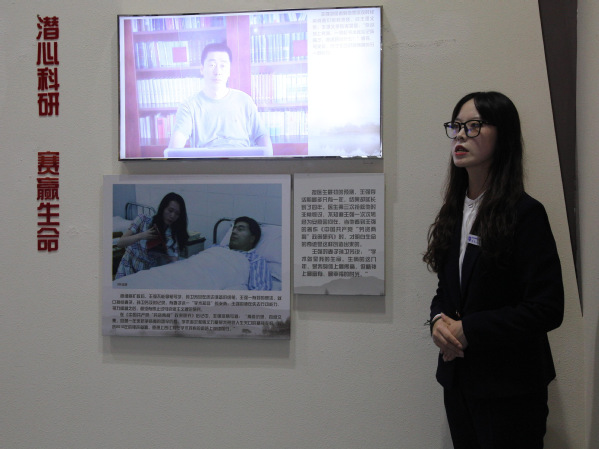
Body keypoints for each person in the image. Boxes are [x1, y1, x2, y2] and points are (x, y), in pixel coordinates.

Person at [423, 91, 564, 449]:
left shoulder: (525, 213)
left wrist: (469, 329)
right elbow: (447, 292)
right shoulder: (454, 212)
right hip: (459, 381)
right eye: (456, 126)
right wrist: (438, 321)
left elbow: (547, 307)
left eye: (474, 126)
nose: (460, 135)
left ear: (504, 135)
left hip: (511, 387)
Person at [168, 43, 273, 156]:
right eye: (212, 65)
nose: (217, 71)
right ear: (202, 69)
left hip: (241, 163)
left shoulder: (245, 101)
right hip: (206, 164)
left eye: (223, 65)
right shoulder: (189, 106)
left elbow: (262, 136)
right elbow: (175, 149)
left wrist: (268, 161)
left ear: (229, 71)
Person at [115, 192, 189, 279]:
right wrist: (141, 236)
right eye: (170, 210)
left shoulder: (173, 235)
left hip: (147, 274)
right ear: (163, 208)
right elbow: (120, 243)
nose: (172, 216)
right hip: (128, 268)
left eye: (177, 213)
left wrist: (167, 257)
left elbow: (173, 260)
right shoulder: (143, 219)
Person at [224, 216, 272, 291]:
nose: (233, 232)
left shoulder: (255, 260)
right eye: (234, 228)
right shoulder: (217, 248)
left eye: (240, 229)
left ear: (252, 239)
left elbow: (261, 290)